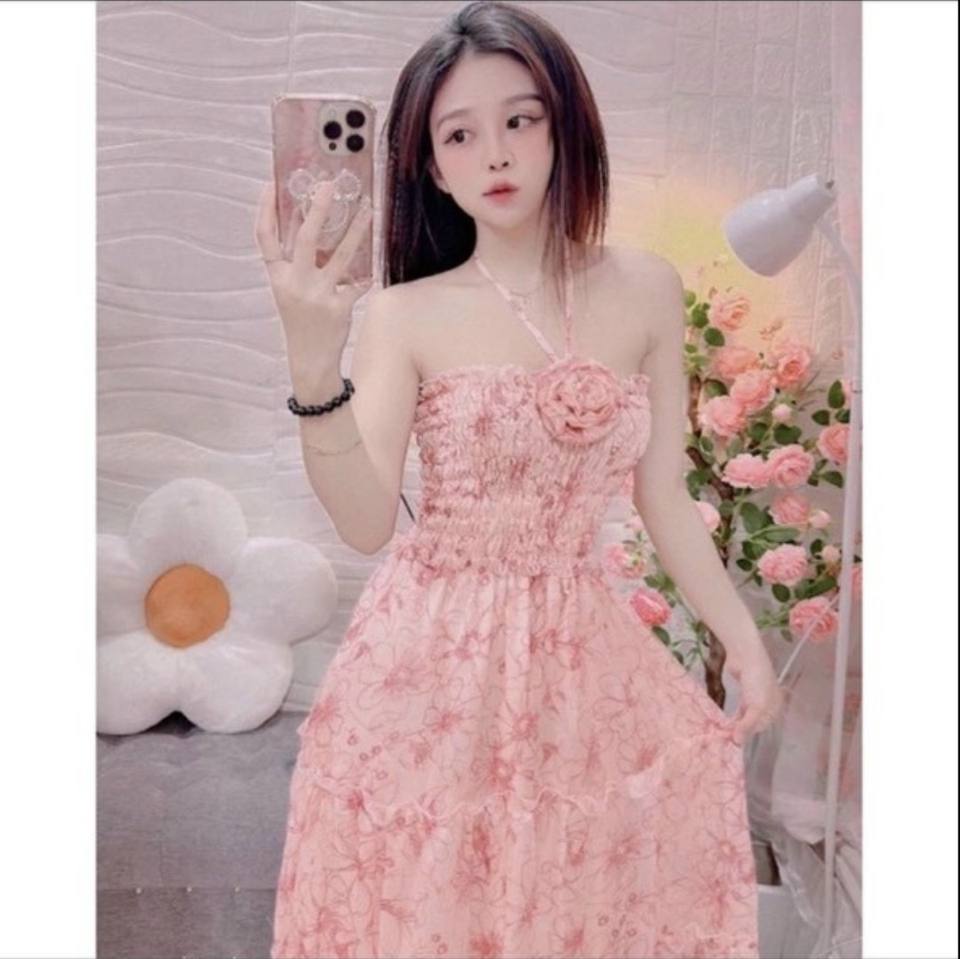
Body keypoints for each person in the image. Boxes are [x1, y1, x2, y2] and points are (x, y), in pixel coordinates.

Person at [256, 3, 783, 956]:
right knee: (433, 899)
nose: (493, 153)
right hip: (431, 659)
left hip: (577, 657)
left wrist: (739, 634)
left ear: (563, 124)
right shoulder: (406, 313)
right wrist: (311, 362)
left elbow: (663, 496)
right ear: (430, 165)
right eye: (459, 134)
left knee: (567, 895)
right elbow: (367, 521)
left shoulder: (647, 288)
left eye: (519, 119)